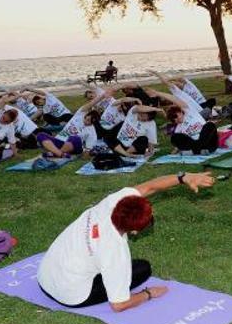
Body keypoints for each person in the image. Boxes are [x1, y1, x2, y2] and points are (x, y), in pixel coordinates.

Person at [37, 172, 215, 311]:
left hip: (46, 275)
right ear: (135, 231)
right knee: (142, 268)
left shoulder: (111, 202)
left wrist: (184, 178)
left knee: (106, 263)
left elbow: (151, 187)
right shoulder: (115, 250)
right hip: (71, 295)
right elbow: (119, 305)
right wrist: (148, 293)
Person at [149, 89, 218, 155]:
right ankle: (198, 150)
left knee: (209, 125)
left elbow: (175, 99)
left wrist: (157, 93)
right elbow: (179, 144)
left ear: (180, 112)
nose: (175, 120)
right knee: (175, 137)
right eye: (172, 119)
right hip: (195, 146)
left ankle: (198, 149)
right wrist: (173, 153)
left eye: (175, 116)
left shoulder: (190, 112)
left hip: (208, 144)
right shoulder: (178, 129)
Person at [37, 95, 103, 158]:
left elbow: (88, 149)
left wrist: (85, 155)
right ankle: (59, 154)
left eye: (90, 122)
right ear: (86, 115)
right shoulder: (79, 115)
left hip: (74, 147)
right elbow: (90, 104)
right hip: (60, 142)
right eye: (87, 119)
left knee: (74, 138)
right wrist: (102, 96)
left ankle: (55, 153)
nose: (87, 122)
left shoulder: (92, 132)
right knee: (40, 135)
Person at [148, 71, 215, 116]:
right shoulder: (178, 92)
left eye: (178, 82)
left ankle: (211, 112)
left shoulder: (189, 85)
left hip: (202, 104)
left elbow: (180, 77)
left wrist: (167, 78)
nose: (177, 83)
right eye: (175, 82)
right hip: (197, 109)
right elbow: (167, 82)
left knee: (211, 102)